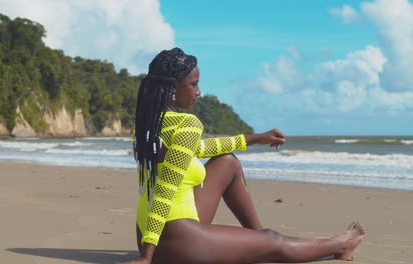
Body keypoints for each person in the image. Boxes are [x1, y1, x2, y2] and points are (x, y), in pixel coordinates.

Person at [120, 47, 365, 264]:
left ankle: (258, 242)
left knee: (227, 162)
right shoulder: (187, 124)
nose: (199, 92)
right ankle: (336, 245)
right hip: (174, 240)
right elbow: (165, 190)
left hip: (148, 234)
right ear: (173, 88)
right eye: (193, 84)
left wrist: (256, 138)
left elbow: (202, 150)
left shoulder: (147, 124)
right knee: (272, 239)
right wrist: (146, 258)